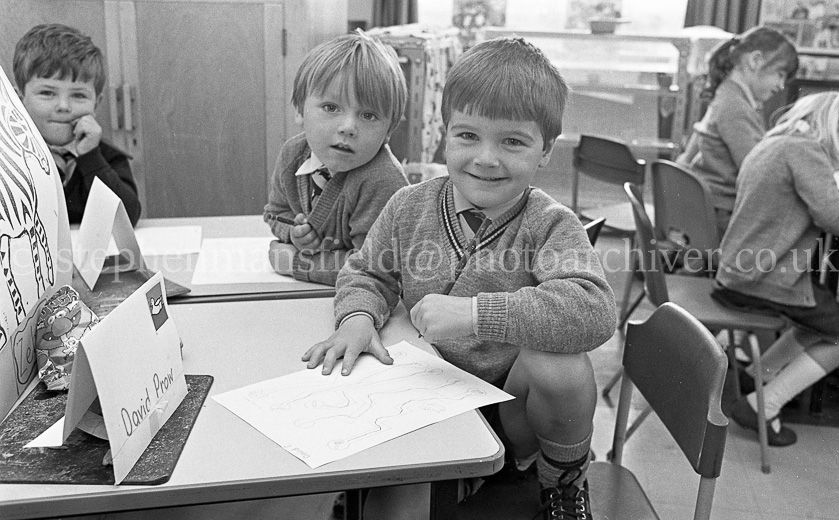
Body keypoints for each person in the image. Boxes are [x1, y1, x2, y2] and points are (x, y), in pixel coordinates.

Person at [302, 37, 616, 519]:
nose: (486, 158)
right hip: (424, 393)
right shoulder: (410, 205)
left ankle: (561, 486)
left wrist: (476, 315)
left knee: (563, 365)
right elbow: (367, 271)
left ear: (546, 150)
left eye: (512, 141)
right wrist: (358, 317)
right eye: (468, 136)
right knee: (392, 498)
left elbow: (593, 309)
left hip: (510, 410)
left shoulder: (550, 224)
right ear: (444, 135)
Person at [712, 92, 839, 447]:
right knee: (837, 333)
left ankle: (755, 376)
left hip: (739, 272)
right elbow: (832, 216)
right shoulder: (806, 151)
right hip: (765, 280)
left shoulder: (775, 143)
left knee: (822, 318)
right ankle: (764, 405)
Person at [263, 29, 409, 286]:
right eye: (331, 108)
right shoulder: (292, 154)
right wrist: (294, 234)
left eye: (368, 115)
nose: (348, 127)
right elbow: (276, 212)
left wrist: (295, 262)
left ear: (388, 131)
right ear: (299, 110)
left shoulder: (383, 181)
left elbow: (377, 267)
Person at [13, 23, 142, 226]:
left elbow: (128, 217)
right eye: (47, 93)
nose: (64, 106)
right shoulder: (8, 159)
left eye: (79, 95)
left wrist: (91, 158)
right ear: (19, 99)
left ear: (96, 103)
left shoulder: (106, 156)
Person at [677, 25, 798, 238]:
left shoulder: (728, 96)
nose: (781, 86)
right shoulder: (736, 107)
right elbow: (757, 171)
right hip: (724, 215)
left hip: (710, 209)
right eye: (780, 74)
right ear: (755, 60)